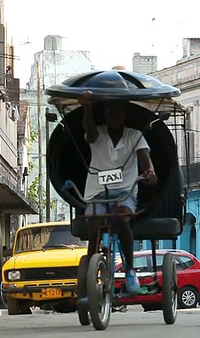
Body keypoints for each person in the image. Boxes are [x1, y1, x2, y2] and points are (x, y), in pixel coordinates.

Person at [78, 91, 158, 294]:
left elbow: (144, 158)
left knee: (123, 218)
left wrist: (149, 172)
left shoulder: (135, 136)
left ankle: (130, 269)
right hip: (97, 192)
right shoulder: (97, 133)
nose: (114, 117)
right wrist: (87, 108)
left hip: (124, 192)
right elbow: (89, 130)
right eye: (110, 113)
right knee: (94, 222)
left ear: (124, 116)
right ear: (105, 116)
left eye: (118, 113)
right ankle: (89, 269)